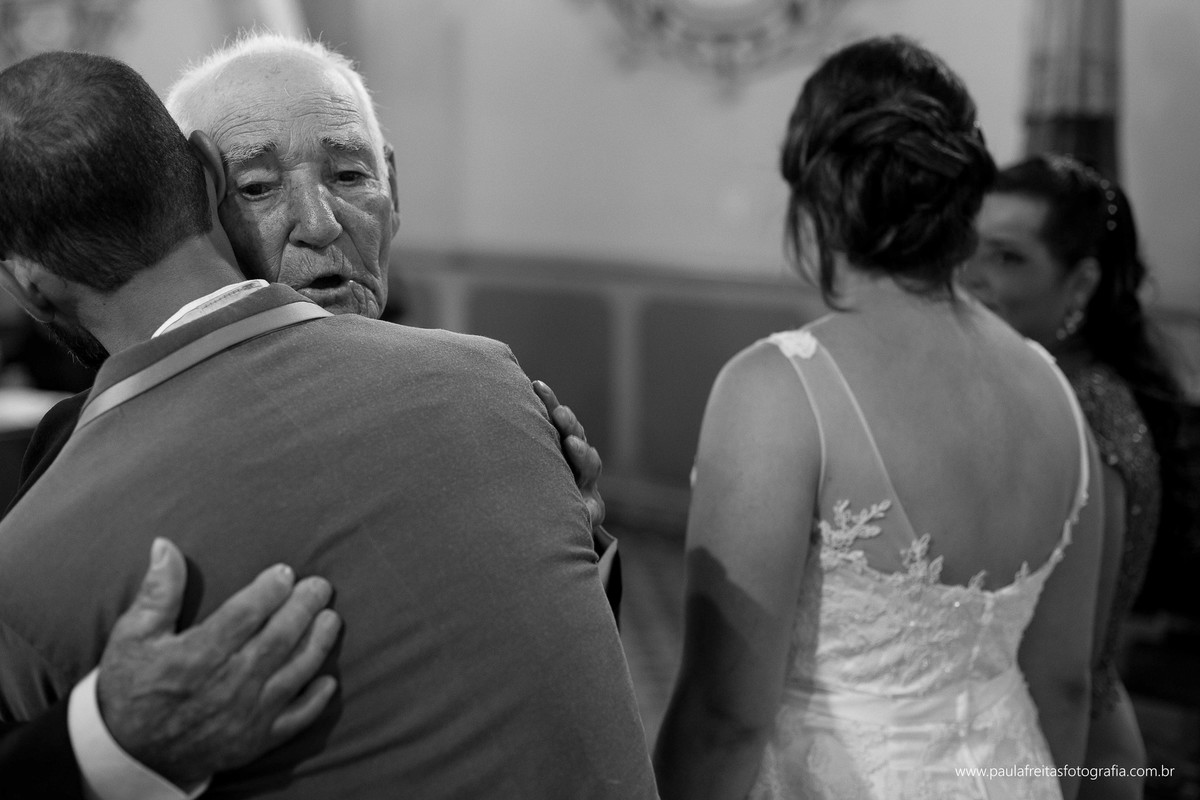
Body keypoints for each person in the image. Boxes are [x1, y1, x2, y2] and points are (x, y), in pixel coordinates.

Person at [0, 50, 655, 799]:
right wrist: (106, 738)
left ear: (394, 190)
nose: (319, 224)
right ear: (196, 197)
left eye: (349, 175)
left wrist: (568, 540)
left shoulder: (496, 389)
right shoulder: (72, 459)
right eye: (258, 187)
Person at [653, 36, 1105, 799]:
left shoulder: (779, 391)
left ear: (817, 199)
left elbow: (726, 714)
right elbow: (1065, 687)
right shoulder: (1059, 397)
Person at [963, 153, 1195, 800]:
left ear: (1082, 283)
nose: (971, 279)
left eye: (1008, 258)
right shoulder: (1048, 390)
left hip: (1069, 754)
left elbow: (1072, 665)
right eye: (968, 249)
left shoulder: (1084, 415)